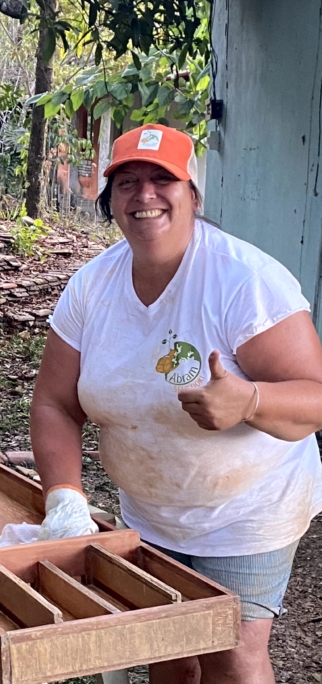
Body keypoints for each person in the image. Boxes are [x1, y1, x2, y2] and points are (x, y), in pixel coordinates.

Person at [30, 124, 322, 683]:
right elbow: (55, 403)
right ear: (110, 200)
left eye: (163, 180)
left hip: (246, 510)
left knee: (231, 658)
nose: (145, 195)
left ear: (192, 194)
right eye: (127, 183)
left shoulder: (245, 281)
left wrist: (251, 400)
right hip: (152, 509)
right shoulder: (91, 287)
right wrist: (64, 496)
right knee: (168, 653)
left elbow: (315, 398)